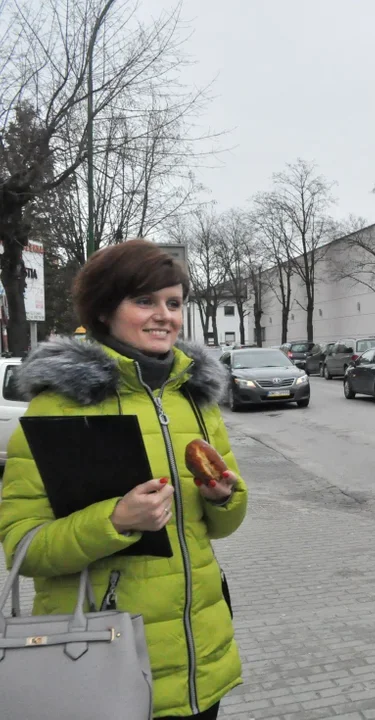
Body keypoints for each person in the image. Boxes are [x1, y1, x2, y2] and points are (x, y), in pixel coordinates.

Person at [0, 240, 247, 719]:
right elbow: (23, 546)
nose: (164, 316)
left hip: (200, 659)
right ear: (104, 310)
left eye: (173, 303)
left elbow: (224, 525)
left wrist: (223, 498)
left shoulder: (195, 400)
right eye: (144, 301)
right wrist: (115, 520)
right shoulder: (59, 406)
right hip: (101, 656)